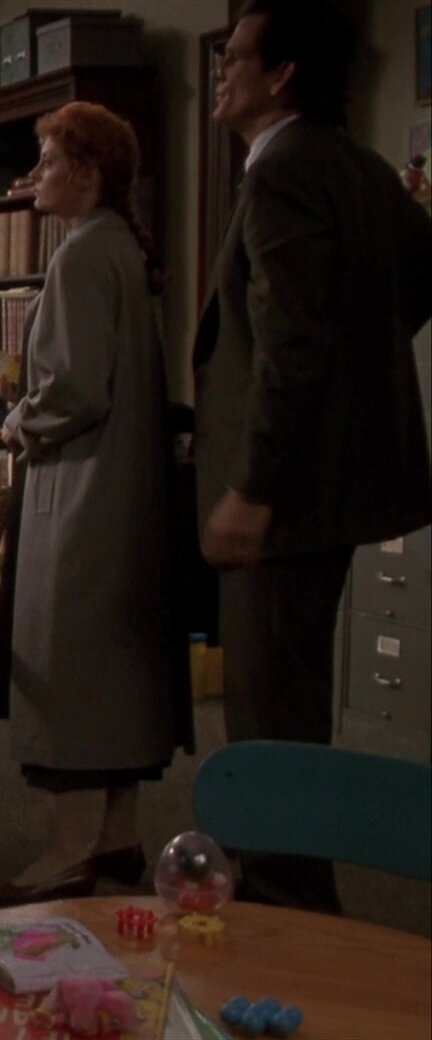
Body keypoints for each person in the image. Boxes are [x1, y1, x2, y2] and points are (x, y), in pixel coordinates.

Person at [195, 0, 432, 912]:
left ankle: (287, 919)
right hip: (327, 486)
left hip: (284, 499)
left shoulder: (285, 169)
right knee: (289, 710)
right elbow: (412, 277)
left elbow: (291, 345)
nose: (221, 71)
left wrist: (253, 488)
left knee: (269, 728)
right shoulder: (359, 166)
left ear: (282, 74)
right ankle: (285, 902)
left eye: (235, 56)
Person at [0, 101, 191, 906]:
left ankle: (67, 850)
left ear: (88, 171)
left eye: (47, 159)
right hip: (127, 491)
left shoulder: (78, 258)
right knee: (119, 668)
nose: (33, 174)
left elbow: (74, 389)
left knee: (64, 665)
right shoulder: (122, 250)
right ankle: (118, 834)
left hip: (80, 493)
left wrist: (17, 422)